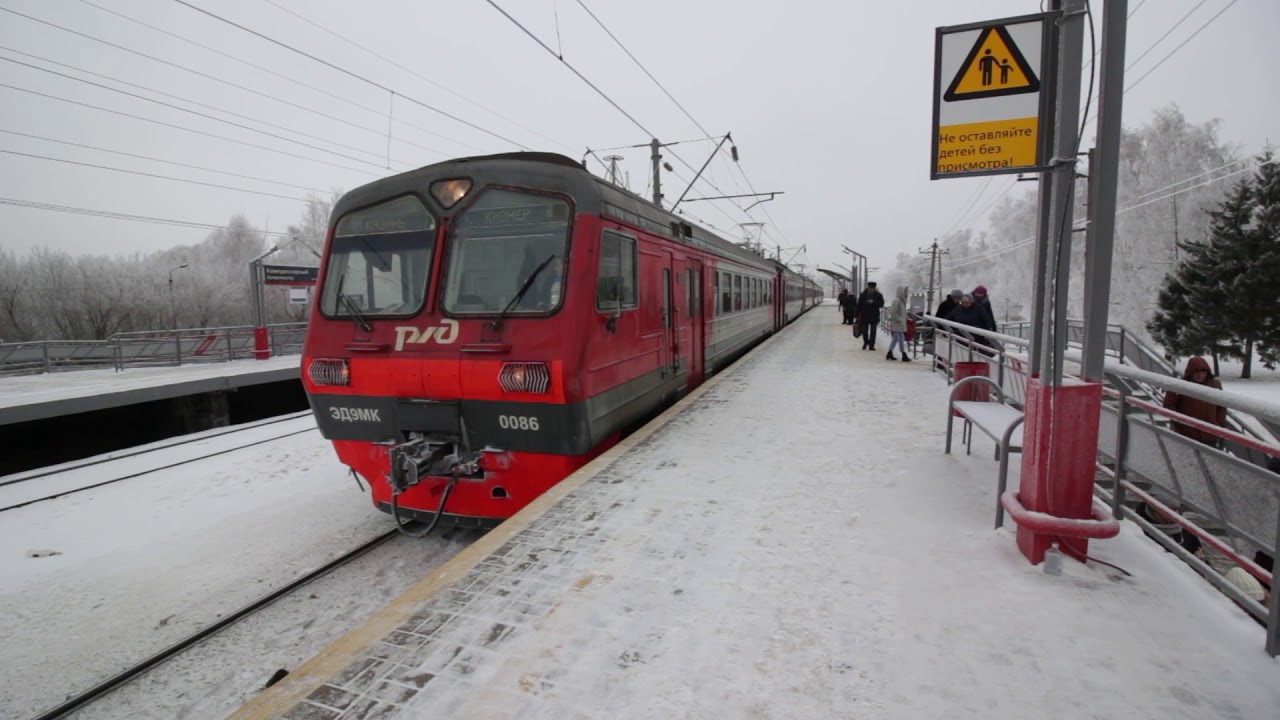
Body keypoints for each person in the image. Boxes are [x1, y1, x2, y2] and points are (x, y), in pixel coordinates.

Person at [1163, 356, 1227, 446]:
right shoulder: (1180, 385)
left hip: (1210, 434)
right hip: (1187, 434)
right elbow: (1168, 404)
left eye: (1203, 372)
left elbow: (1222, 405)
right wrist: (1182, 424)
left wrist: (1218, 425)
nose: (1200, 375)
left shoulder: (1215, 384)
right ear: (1190, 372)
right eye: (1196, 372)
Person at [856, 282, 884, 351]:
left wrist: (874, 302)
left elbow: (881, 304)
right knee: (864, 331)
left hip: (874, 316)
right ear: (868, 287)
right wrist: (856, 315)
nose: (871, 289)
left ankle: (871, 345)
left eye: (872, 288)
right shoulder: (863, 295)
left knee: (873, 331)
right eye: (870, 288)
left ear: (874, 288)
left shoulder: (879, 295)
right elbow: (859, 305)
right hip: (864, 316)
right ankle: (866, 342)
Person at [885, 286, 911, 362]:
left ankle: (890, 353)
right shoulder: (897, 301)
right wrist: (900, 320)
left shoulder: (902, 301)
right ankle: (903, 354)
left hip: (900, 323)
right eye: (905, 291)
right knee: (901, 338)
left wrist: (906, 318)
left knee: (895, 339)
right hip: (898, 323)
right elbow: (893, 313)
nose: (906, 293)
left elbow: (902, 312)